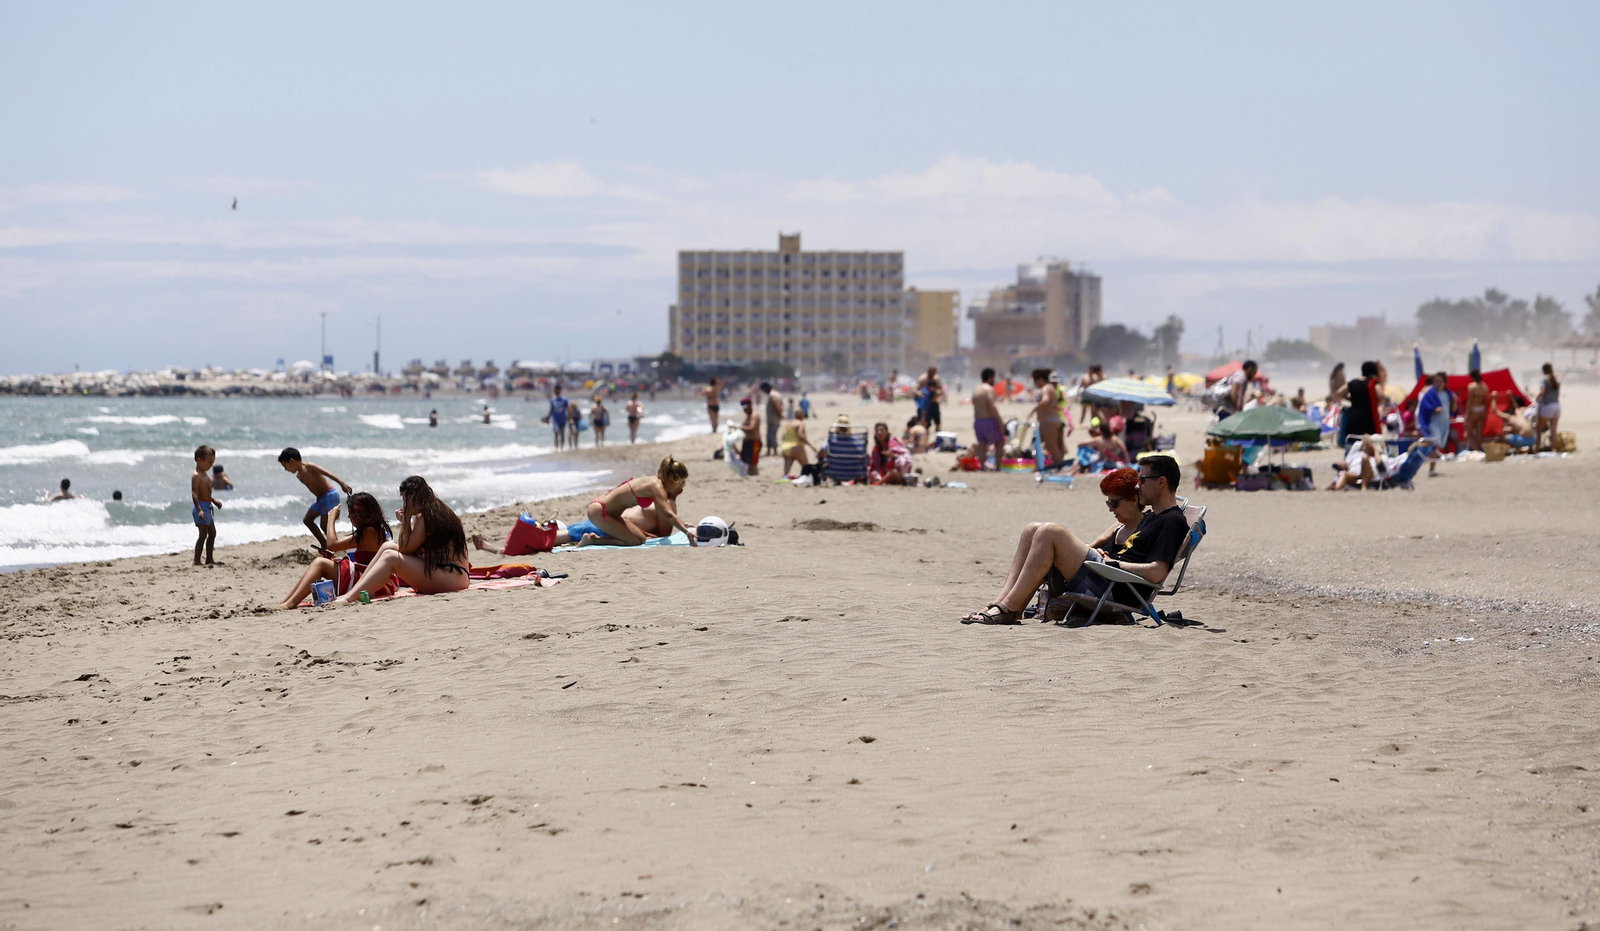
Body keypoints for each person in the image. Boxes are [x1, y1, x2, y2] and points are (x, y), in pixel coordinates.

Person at [961, 456, 1189, 624]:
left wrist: (1113, 564)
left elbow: (1157, 571)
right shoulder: (1151, 517)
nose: (1138, 485)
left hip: (1116, 586)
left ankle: (1008, 608)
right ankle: (1004, 604)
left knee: (1051, 531)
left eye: (1143, 480)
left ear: (1161, 482)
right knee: (1032, 529)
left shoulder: (1172, 521)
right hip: (1106, 576)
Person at [338, 476, 470, 603]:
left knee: (391, 557)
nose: (404, 504)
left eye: (405, 499)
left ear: (414, 497)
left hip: (452, 577)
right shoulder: (430, 510)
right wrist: (405, 521)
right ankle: (353, 592)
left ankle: (351, 597)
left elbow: (405, 549)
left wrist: (406, 519)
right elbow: (408, 547)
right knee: (387, 547)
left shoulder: (427, 517)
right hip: (448, 573)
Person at [276, 492, 398, 608]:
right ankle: (286, 601)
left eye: (352, 512)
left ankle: (289, 604)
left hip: (375, 582)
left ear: (362, 513)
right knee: (322, 563)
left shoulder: (369, 531)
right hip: (367, 576)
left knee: (320, 563)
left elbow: (332, 544)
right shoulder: (370, 530)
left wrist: (331, 519)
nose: (349, 516)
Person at [576, 457, 697, 547]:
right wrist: (686, 532)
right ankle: (592, 540)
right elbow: (668, 513)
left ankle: (593, 539)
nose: (682, 486)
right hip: (600, 510)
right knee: (632, 541)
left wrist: (684, 524)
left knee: (641, 539)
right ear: (672, 479)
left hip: (613, 515)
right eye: (681, 482)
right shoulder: (657, 486)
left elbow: (663, 511)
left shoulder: (656, 484)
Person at [277, 446, 352, 553]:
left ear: (292, 461)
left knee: (324, 525)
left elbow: (328, 474)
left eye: (285, 466)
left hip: (329, 495)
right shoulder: (299, 476)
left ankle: (337, 546)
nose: (286, 469)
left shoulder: (310, 467)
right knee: (307, 520)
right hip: (320, 499)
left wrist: (342, 484)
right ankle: (324, 543)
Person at [1416, 371, 1453, 476]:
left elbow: (1452, 409)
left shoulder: (1448, 394)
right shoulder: (1430, 394)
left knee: (1437, 445)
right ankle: (1431, 469)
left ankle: (1427, 464)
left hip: (1444, 423)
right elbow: (1424, 407)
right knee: (1434, 444)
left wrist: (1454, 401)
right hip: (1433, 422)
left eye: (1440, 381)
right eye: (1436, 381)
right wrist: (1434, 408)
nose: (1438, 383)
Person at [192, 445, 222, 566]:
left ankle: (209, 558)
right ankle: (196, 560)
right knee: (203, 534)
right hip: (201, 507)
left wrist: (213, 501)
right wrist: (199, 509)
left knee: (212, 533)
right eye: (209, 462)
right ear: (200, 460)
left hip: (207, 506)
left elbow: (206, 493)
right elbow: (195, 494)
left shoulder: (205, 475)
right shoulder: (196, 475)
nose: (211, 465)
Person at [1029, 368, 1067, 465]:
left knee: (1052, 446)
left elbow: (1045, 400)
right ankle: (1038, 466)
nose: (1035, 384)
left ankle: (1059, 466)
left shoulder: (1046, 388)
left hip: (1049, 422)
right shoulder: (1051, 388)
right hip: (1051, 421)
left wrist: (1033, 410)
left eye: (1035, 381)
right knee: (1036, 443)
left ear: (1040, 379)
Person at [971, 367, 1005, 471]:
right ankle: (998, 468)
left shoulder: (976, 389)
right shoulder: (988, 389)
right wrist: (1000, 421)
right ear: (990, 377)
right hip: (988, 420)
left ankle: (982, 467)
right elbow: (992, 406)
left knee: (982, 443)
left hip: (978, 420)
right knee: (1000, 442)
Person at [1341, 361, 1382, 445]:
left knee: (1353, 443)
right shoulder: (1373, 383)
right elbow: (1380, 395)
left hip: (1353, 417)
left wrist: (1351, 399)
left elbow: (1339, 393)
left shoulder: (1353, 383)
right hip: (1369, 418)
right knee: (1371, 444)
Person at [779, 411, 816, 477]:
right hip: (796, 447)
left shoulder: (789, 423)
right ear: (802, 415)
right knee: (806, 466)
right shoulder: (800, 423)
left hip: (785, 447)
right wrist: (810, 445)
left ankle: (784, 478)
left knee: (786, 471)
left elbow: (783, 436)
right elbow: (801, 435)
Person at [1537, 362, 1561, 451]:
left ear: (1543, 371)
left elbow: (1542, 392)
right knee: (1553, 429)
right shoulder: (1557, 379)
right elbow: (1558, 394)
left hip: (1547, 406)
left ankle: (1537, 448)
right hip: (1557, 406)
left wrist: (1537, 398)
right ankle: (1552, 448)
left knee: (1539, 429)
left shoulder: (1544, 380)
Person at [1463, 371, 1489, 451]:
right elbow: (1485, 401)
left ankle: (1475, 449)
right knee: (1478, 432)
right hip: (1481, 409)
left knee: (1469, 432)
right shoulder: (1485, 387)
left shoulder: (1472, 386)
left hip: (1474, 409)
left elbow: (1470, 401)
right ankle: (1479, 448)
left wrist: (1467, 413)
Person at [738, 397, 762, 477]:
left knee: (753, 463)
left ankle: (755, 477)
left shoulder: (754, 415)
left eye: (746, 407)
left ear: (750, 405)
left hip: (754, 442)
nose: (745, 410)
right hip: (746, 442)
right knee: (745, 462)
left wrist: (738, 427)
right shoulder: (746, 415)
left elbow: (752, 428)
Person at [542, 384, 569, 450]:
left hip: (563, 419)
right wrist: (548, 417)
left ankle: (561, 448)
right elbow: (551, 410)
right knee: (556, 433)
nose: (556, 391)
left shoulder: (564, 400)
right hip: (555, 419)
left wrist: (570, 418)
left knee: (562, 433)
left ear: (560, 390)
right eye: (555, 389)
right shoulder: (553, 400)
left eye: (558, 389)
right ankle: (556, 448)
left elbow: (567, 409)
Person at [915, 367, 943, 431]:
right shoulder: (923, 379)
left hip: (933, 402)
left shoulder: (936, 379)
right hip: (924, 402)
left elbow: (940, 389)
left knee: (937, 421)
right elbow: (915, 389)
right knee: (925, 421)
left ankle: (937, 435)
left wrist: (937, 395)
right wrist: (920, 394)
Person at [762, 382, 783, 455]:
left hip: (772, 419)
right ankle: (770, 451)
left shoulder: (772, 395)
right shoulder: (778, 394)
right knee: (772, 435)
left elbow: (775, 404)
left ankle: (774, 451)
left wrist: (779, 414)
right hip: (776, 419)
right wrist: (780, 414)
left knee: (771, 436)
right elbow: (782, 405)